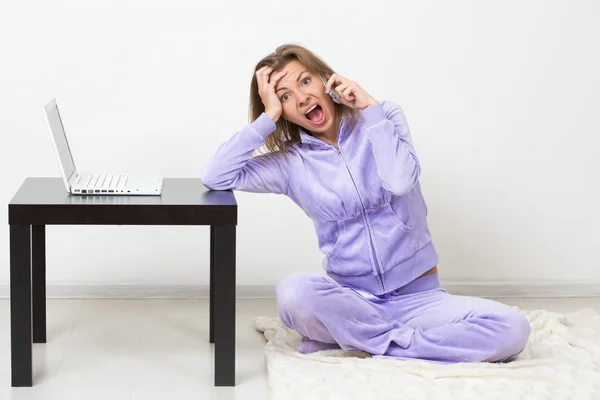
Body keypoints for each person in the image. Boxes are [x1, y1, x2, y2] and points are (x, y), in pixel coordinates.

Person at [201, 44, 530, 363]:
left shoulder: (382, 118)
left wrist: (369, 107)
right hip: (353, 301)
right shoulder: (289, 163)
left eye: (304, 81)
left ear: (326, 79)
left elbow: (400, 181)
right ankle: (390, 338)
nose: (301, 98)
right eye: (284, 96)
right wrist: (267, 118)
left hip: (421, 299)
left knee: (513, 329)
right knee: (292, 293)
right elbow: (216, 175)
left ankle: (367, 342)